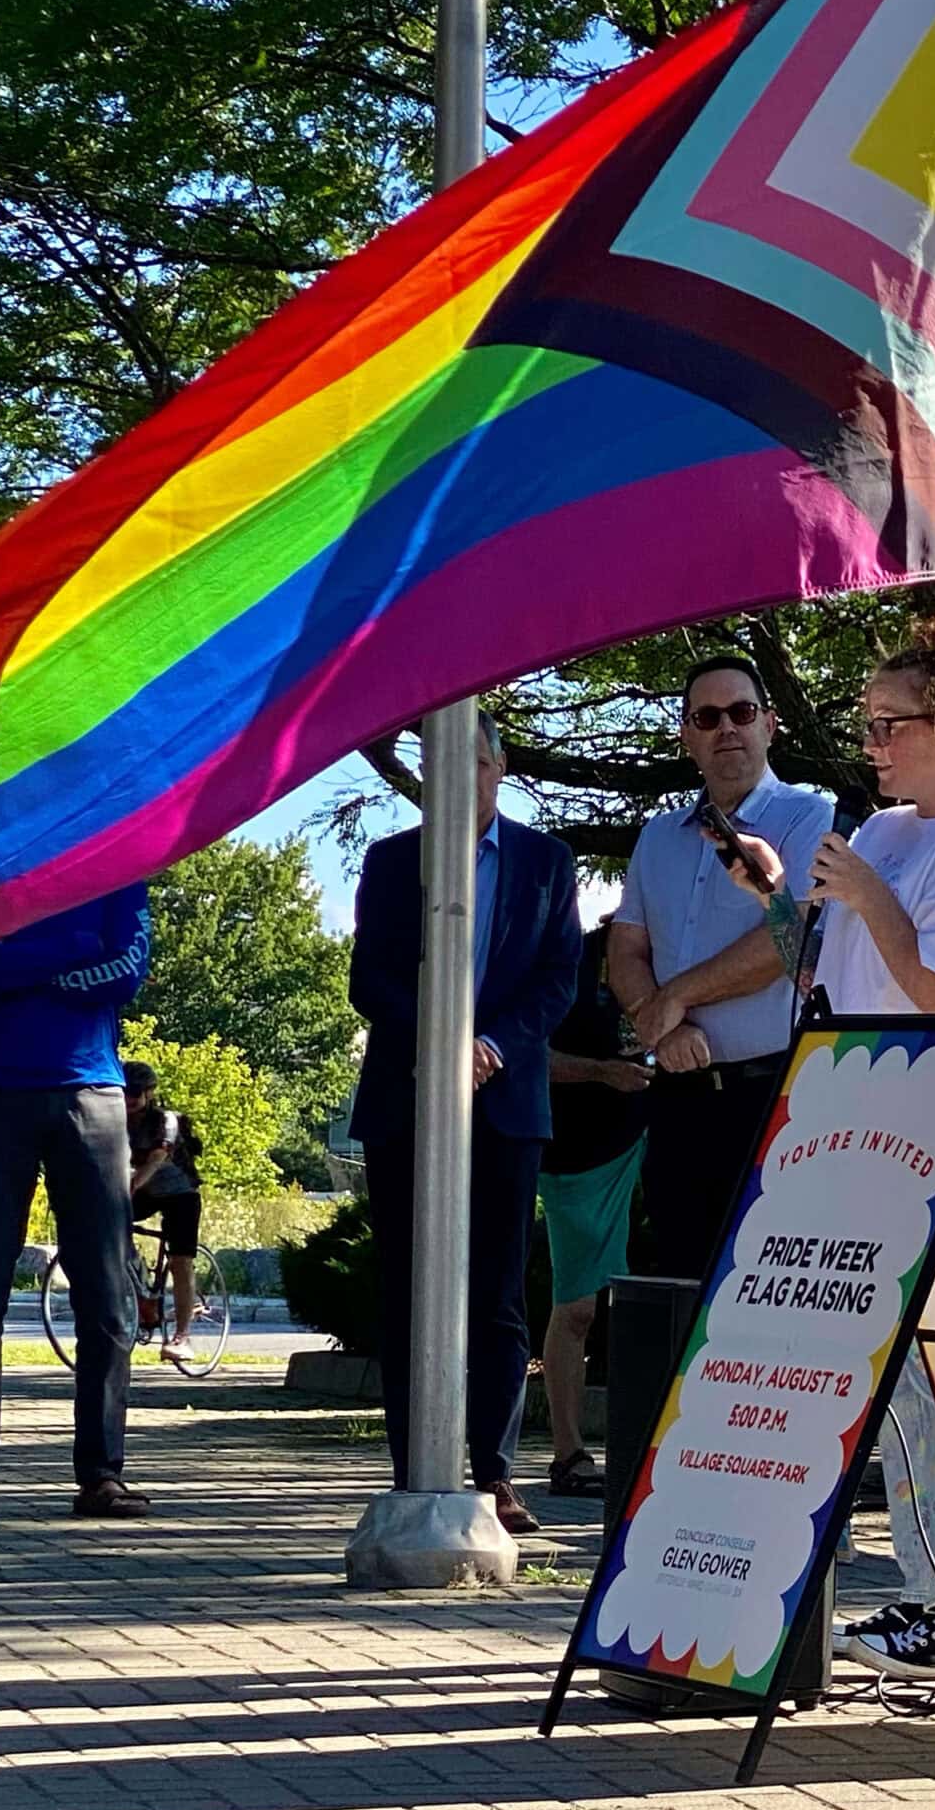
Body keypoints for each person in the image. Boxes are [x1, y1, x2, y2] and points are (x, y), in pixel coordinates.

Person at [716, 605, 935, 1679]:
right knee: (881, 1380)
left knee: (932, 1383)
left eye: (886, 725)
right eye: (866, 726)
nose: (870, 745)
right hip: (846, 1129)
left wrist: (868, 895)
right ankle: (912, 1596)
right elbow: (826, 971)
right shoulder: (892, 833)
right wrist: (780, 896)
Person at [349, 711, 583, 1537]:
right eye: (442, 768)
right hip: (406, 1096)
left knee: (498, 1294)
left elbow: (559, 981)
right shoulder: (389, 861)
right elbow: (369, 981)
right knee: (408, 1286)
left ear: (497, 766)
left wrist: (488, 1045)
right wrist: (442, 1037)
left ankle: (494, 1472)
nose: (460, 782)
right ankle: (415, 1466)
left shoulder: (548, 864)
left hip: (506, 1099)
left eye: (473, 765)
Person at [609, 655, 831, 1282]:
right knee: (684, 1291)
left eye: (742, 712)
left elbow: (784, 946)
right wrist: (664, 1029)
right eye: (708, 717)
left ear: (771, 724)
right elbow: (626, 948)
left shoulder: (811, 817)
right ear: (687, 736)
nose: (726, 728)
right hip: (679, 1106)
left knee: (769, 1294)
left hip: (774, 1098)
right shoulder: (657, 837)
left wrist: (672, 998)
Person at [0, 885, 154, 1521]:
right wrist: (72, 950)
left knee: (108, 1295)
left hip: (92, 1093)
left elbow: (127, 972)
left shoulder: (121, 868)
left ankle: (101, 1474)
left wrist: (24, 957)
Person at [538, 916, 650, 1496]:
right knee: (578, 1306)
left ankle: (662, 1452)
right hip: (578, 1155)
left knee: (662, 1303)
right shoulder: (569, 959)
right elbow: (532, 1053)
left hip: (658, 1140)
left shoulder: (684, 954)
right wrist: (603, 1073)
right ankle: (568, 1452)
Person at [123, 1062, 206, 1359]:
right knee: (104, 1225)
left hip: (180, 1194)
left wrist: (131, 1185)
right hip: (146, 1193)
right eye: (123, 1092)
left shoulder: (165, 1121)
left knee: (180, 1261)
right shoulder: (115, 1119)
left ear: (149, 1094)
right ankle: (139, 1285)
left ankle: (182, 1338)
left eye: (134, 1093)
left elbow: (156, 1159)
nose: (128, 1099)